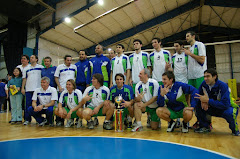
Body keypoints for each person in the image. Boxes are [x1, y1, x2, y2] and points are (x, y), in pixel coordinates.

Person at [194, 68, 239, 136]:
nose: (205, 78)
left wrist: (208, 101)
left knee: (230, 114)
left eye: (208, 76)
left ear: (215, 76)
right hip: (212, 106)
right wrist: (202, 102)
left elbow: (225, 104)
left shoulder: (223, 86)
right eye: (204, 76)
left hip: (226, 108)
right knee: (198, 106)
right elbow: (198, 96)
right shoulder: (204, 84)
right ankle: (205, 126)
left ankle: (235, 130)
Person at [54, 55, 77, 126]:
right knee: (60, 106)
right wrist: (59, 86)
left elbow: (75, 77)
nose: (69, 62)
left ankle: (71, 120)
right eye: (68, 60)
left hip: (71, 90)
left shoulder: (74, 67)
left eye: (70, 60)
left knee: (70, 105)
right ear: (64, 60)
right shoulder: (59, 67)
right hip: (62, 90)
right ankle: (59, 121)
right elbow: (56, 77)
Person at [21, 55, 44, 125]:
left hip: (38, 89)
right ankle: (27, 119)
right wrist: (22, 88)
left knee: (36, 106)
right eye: (30, 58)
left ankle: (39, 119)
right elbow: (24, 79)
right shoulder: (26, 68)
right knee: (27, 105)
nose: (31, 59)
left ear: (36, 59)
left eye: (32, 57)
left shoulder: (41, 67)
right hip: (28, 89)